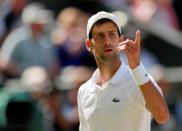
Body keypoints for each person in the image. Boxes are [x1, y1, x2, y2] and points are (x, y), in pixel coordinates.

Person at [77, 11, 170, 131]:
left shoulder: (139, 79)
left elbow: (162, 116)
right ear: (89, 44)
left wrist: (136, 67)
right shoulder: (84, 90)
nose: (107, 41)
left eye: (111, 34)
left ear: (120, 40)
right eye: (100, 36)